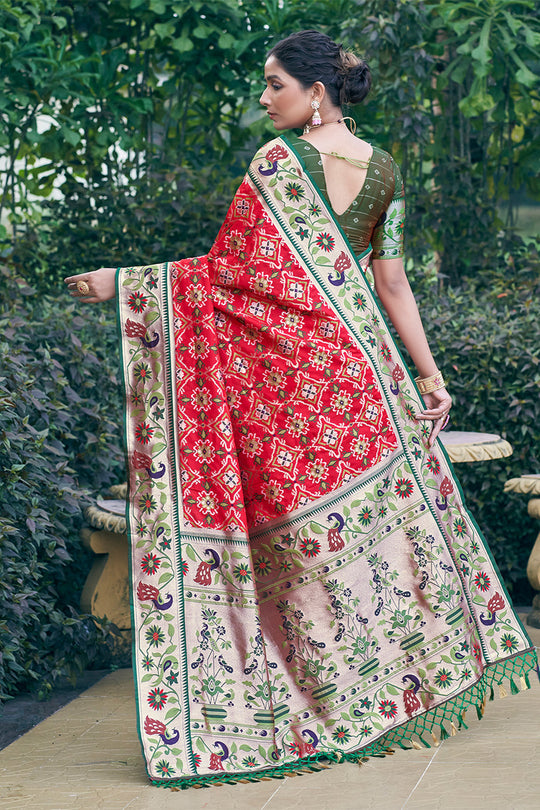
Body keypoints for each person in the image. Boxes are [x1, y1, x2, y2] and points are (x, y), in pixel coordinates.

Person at [65, 30, 536, 791]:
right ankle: (377, 691)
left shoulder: (277, 164)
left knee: (296, 542)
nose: (264, 98)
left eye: (275, 83)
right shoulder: (385, 170)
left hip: (284, 386)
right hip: (358, 381)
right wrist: (429, 375)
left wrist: (123, 283)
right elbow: (390, 284)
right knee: (362, 539)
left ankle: (317, 701)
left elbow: (229, 276)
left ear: (316, 92)